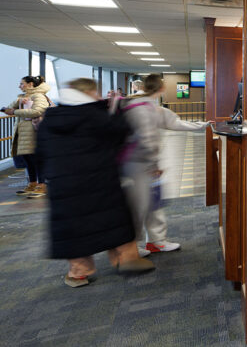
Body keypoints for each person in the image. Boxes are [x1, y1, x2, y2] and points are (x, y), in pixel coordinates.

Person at [37, 78, 154, 287]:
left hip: (63, 183)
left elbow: (42, 152)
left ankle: (79, 272)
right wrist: (114, 109)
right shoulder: (95, 115)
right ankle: (125, 259)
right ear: (89, 93)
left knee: (72, 227)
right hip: (98, 178)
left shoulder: (50, 119)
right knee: (114, 218)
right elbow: (121, 133)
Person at [122, 74, 211, 255]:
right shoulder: (144, 109)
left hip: (135, 162)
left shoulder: (137, 105)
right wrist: (153, 164)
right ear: (161, 88)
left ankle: (155, 241)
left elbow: (173, 123)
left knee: (152, 201)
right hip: (139, 164)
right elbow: (147, 139)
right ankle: (133, 247)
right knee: (140, 205)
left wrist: (203, 125)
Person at [2, 76, 52, 197]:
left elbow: (38, 111)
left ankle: (42, 185)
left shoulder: (38, 96)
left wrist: (15, 112)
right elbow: (8, 108)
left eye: (22, 84)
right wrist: (19, 102)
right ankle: (33, 183)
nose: (20, 86)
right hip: (24, 133)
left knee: (36, 159)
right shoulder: (24, 97)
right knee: (28, 159)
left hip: (34, 132)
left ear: (30, 84)